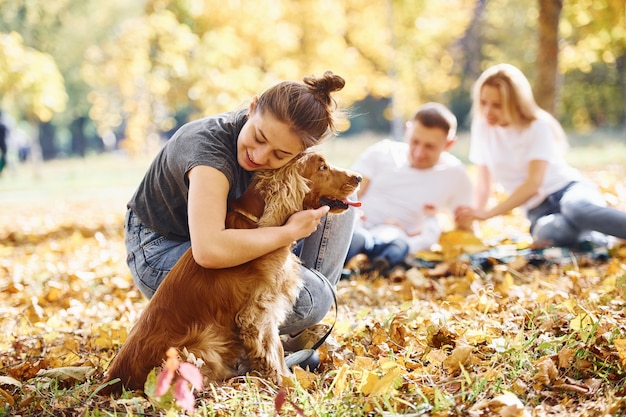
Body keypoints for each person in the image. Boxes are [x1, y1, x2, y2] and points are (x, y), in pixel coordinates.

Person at [124, 71, 357, 355]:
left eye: (280, 155)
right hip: (166, 248)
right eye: (258, 137)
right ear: (251, 108)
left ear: (300, 153)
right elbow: (208, 251)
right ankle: (261, 338)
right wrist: (288, 233)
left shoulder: (288, 154)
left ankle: (296, 332)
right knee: (312, 299)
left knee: (341, 192)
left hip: (233, 236)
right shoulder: (207, 153)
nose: (259, 157)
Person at [455, 63, 626, 249]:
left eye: (497, 105)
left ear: (515, 103)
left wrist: (489, 214)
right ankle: (599, 233)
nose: (487, 111)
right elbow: (483, 184)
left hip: (569, 190)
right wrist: (475, 217)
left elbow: (532, 185)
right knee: (547, 233)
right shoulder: (482, 128)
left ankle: (597, 225)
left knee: (576, 210)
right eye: (483, 102)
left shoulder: (537, 126)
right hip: (539, 211)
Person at [345, 102, 474, 275]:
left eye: (430, 147)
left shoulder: (455, 175)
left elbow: (466, 229)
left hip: (398, 239)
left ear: (448, 144)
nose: (419, 153)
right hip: (359, 228)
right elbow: (349, 195)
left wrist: (423, 232)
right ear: (407, 130)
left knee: (397, 246)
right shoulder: (381, 152)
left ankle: (379, 265)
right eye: (415, 141)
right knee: (355, 239)